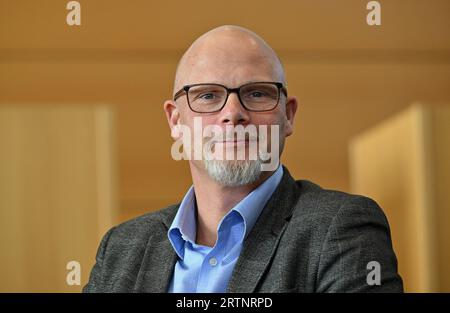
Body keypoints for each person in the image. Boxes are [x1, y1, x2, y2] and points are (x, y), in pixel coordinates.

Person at [83, 25, 403, 293]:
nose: (233, 114)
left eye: (256, 93)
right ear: (175, 121)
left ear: (288, 115)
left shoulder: (342, 228)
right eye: (208, 96)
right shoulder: (121, 247)